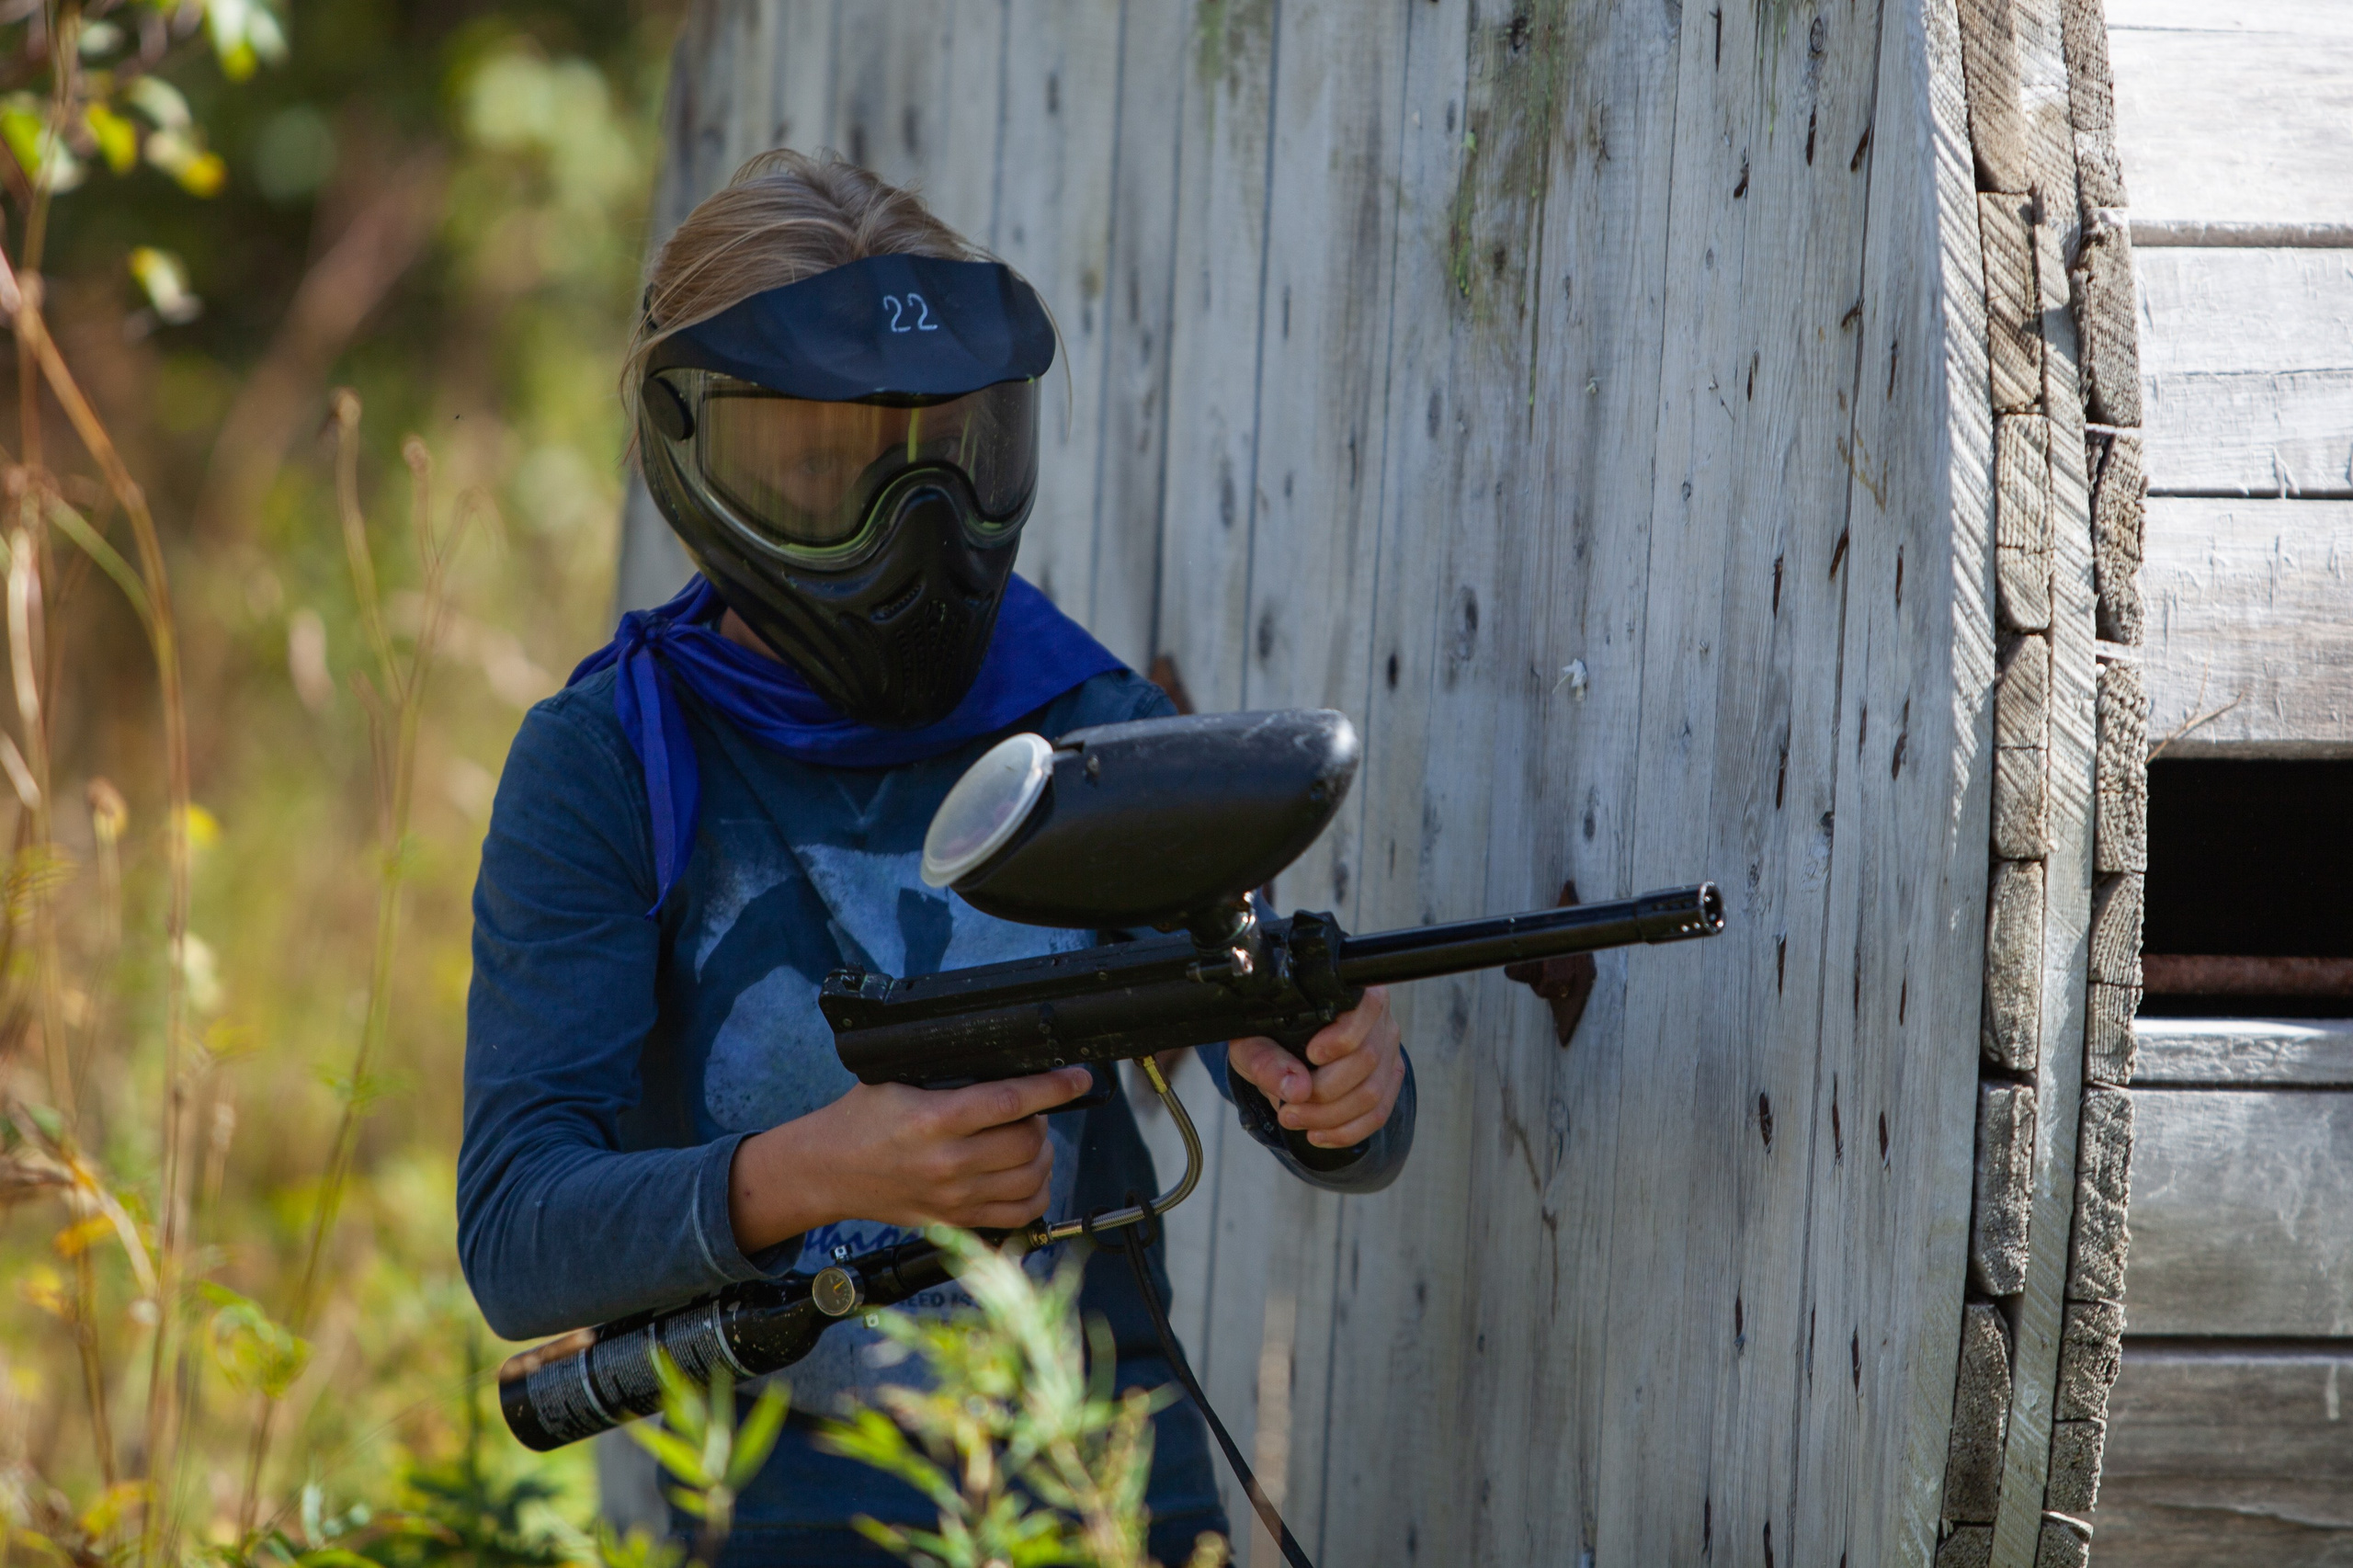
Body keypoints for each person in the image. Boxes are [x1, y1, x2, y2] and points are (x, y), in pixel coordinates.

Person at [457, 149, 1415, 1567]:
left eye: (941, 458)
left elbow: (1275, 1070)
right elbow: (520, 1229)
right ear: (693, 450)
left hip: (1108, 1520)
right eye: (822, 466)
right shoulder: (612, 762)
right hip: (790, 1531)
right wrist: (815, 1171)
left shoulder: (1087, 725)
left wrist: (1339, 1091)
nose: (909, 533)